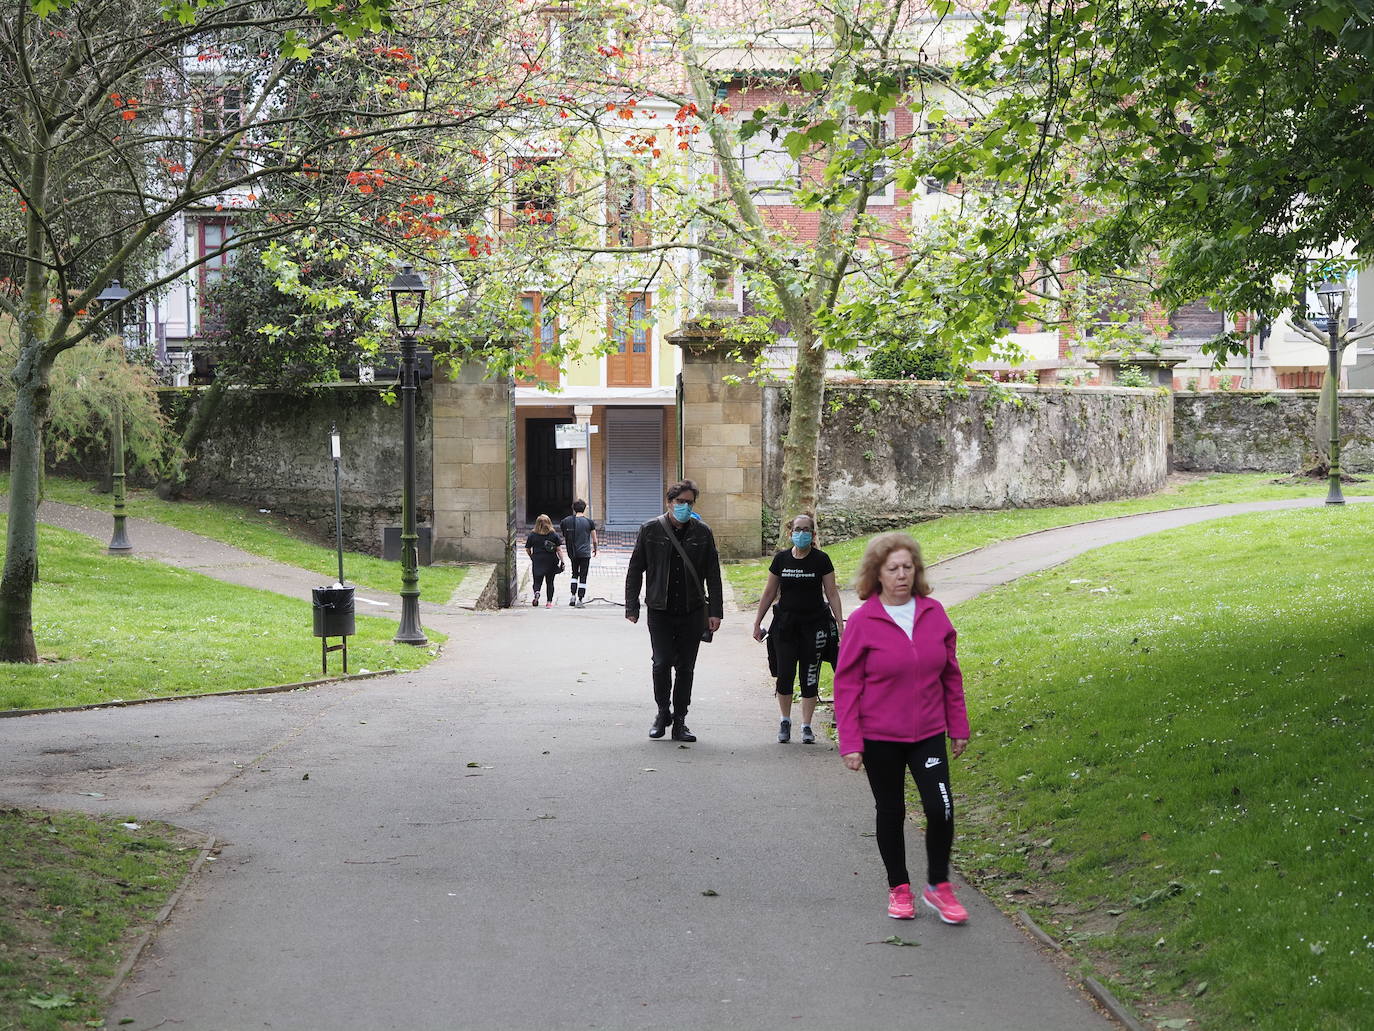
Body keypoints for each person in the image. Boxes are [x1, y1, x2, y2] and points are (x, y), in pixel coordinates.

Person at [833, 532, 971, 925]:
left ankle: (939, 886)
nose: (901, 575)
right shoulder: (863, 621)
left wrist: (958, 726)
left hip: (927, 732)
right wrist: (851, 742)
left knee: (940, 807)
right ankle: (899, 888)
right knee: (891, 811)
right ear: (877, 573)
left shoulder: (934, 613)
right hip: (880, 737)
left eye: (908, 567)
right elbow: (846, 685)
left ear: (917, 570)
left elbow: (951, 676)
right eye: (892, 568)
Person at [625, 479, 723, 742]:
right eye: (680, 502)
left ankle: (680, 720)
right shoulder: (651, 530)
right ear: (669, 502)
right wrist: (631, 605)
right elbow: (636, 568)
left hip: (692, 610)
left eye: (689, 502)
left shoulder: (703, 532)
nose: (684, 506)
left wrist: (715, 611)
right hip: (660, 609)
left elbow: (713, 574)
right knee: (661, 662)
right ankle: (662, 712)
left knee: (686, 667)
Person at [752, 513, 844, 745]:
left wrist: (840, 624)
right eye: (797, 529)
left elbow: (831, 593)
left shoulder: (821, 560)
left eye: (806, 530)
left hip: (814, 626)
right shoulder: (781, 559)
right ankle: (785, 720)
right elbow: (769, 592)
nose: (801, 534)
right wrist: (756, 622)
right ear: (790, 532)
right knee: (785, 674)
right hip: (785, 626)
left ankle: (806, 725)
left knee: (809, 676)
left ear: (813, 535)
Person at [560, 499, 599, 608]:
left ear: (574, 508)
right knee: (583, 575)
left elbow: (564, 533)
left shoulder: (567, 521)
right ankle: (580, 599)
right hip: (585, 553)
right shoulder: (589, 522)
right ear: (584, 508)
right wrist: (595, 549)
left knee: (574, 573)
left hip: (573, 552)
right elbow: (594, 540)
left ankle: (573, 595)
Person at [524, 514, 565, 609]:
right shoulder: (553, 535)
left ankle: (537, 592)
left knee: (537, 580)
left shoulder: (532, 535)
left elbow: (527, 548)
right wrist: (562, 561)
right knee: (550, 582)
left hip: (538, 560)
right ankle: (549, 602)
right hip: (551, 560)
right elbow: (559, 550)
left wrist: (532, 556)